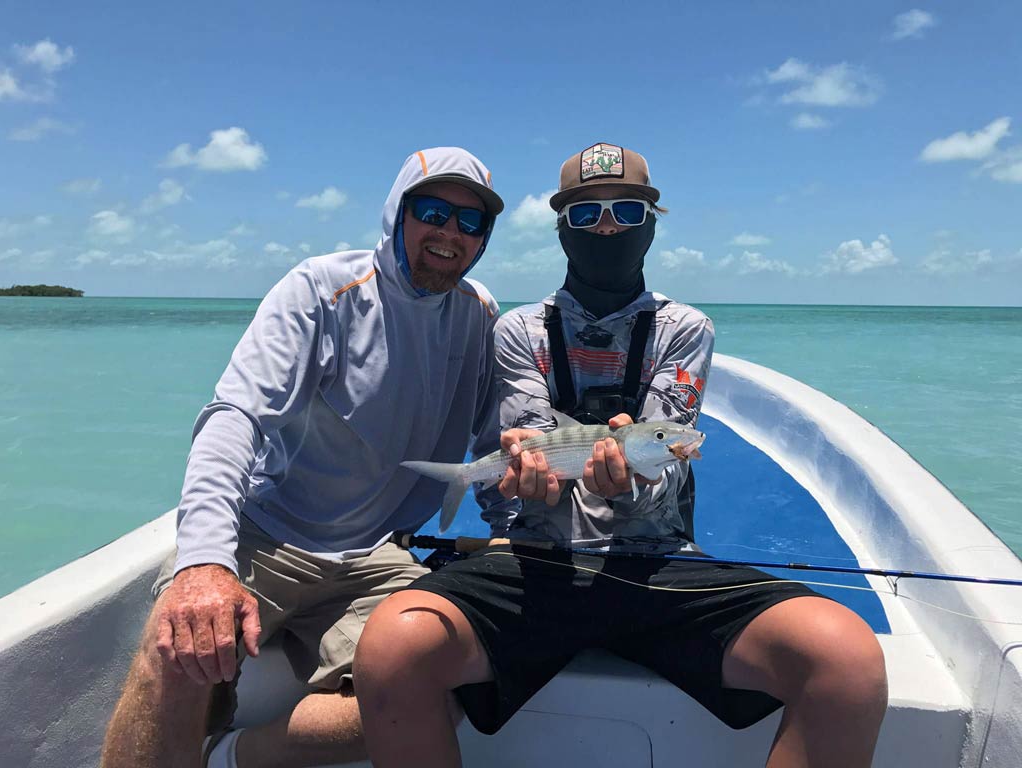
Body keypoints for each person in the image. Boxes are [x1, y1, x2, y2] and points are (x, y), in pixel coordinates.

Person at [355, 143, 889, 768]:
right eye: (586, 215)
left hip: (657, 563)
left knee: (845, 659)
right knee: (393, 645)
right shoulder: (519, 332)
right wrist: (524, 482)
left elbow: (672, 456)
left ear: (652, 222)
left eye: (625, 211)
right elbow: (532, 454)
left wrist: (627, 486)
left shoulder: (684, 329)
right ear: (562, 229)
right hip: (539, 562)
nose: (606, 226)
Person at [101, 147, 505, 768]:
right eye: (432, 211)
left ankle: (233, 755)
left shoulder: (477, 315)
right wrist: (205, 561)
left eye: (470, 222)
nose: (449, 232)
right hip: (269, 534)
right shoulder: (322, 290)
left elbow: (491, 446)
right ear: (397, 214)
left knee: (434, 689)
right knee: (177, 650)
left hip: (376, 555)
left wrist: (514, 530)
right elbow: (234, 416)